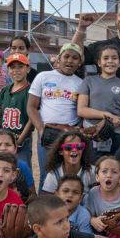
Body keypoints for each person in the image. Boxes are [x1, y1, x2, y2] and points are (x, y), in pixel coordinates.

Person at [28, 43, 84, 180]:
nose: (70, 60)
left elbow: (82, 110)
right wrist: (41, 130)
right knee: (46, 176)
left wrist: (77, 130)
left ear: (80, 63)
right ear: (59, 58)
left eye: (75, 58)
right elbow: (31, 106)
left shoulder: (82, 83)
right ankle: (44, 202)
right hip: (48, 133)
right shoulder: (43, 76)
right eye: (66, 56)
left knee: (69, 176)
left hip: (70, 135)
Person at [77, 44, 120, 156]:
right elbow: (81, 110)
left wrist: (118, 121)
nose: (110, 61)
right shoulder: (88, 81)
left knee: (115, 167)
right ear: (99, 63)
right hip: (91, 133)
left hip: (116, 133)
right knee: (93, 168)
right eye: (106, 58)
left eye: (114, 58)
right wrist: (105, 115)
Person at [0, 52, 34, 168]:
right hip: (4, 139)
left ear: (28, 69)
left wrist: (20, 140)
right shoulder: (5, 90)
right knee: (2, 168)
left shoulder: (31, 91)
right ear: (8, 70)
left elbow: (31, 119)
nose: (16, 70)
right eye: (12, 67)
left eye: (20, 67)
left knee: (21, 169)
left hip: (21, 140)